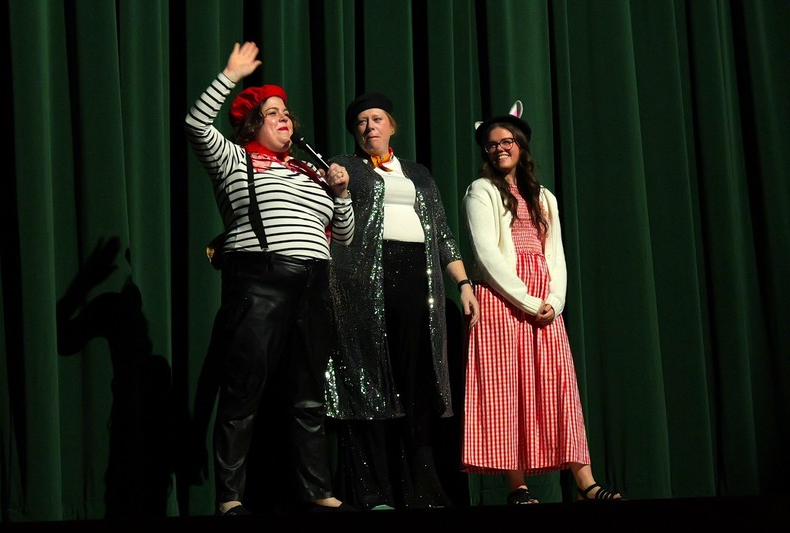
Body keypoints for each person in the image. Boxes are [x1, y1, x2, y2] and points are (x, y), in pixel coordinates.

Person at [184, 41, 356, 515]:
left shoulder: (311, 172)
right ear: (252, 123)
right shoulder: (235, 160)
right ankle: (230, 496)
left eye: (287, 114)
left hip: (313, 284)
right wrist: (230, 74)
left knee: (307, 394)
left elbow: (341, 236)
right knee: (243, 391)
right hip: (259, 280)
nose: (285, 120)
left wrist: (340, 195)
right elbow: (197, 125)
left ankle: (317, 490)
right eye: (273, 113)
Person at [461, 101, 622, 504]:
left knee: (558, 388)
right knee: (506, 390)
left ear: (521, 146)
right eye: (493, 144)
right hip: (503, 300)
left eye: (507, 141)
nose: (500, 148)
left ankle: (586, 483)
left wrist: (555, 301)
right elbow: (487, 255)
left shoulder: (543, 197)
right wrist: (528, 301)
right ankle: (518, 487)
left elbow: (556, 255)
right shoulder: (480, 191)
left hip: (543, 303)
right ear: (485, 151)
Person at [325, 92, 480, 511]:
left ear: (392, 126)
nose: (369, 126)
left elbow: (443, 232)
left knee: (417, 387)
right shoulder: (347, 168)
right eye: (361, 122)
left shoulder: (418, 173)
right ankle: (373, 492)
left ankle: (421, 490)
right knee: (370, 386)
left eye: (376, 119)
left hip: (418, 284)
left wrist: (463, 283)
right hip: (364, 287)